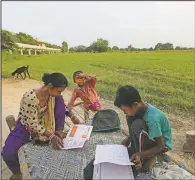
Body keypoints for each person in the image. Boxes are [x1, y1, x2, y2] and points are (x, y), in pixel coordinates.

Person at [1, 73, 79, 180]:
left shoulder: (53, 96)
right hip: (26, 127)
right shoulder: (31, 98)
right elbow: (32, 124)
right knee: (8, 153)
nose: (59, 94)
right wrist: (51, 136)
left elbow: (63, 107)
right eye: (59, 91)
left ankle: (58, 130)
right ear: (50, 86)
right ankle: (18, 173)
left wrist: (71, 115)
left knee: (59, 100)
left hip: (44, 124)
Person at [114, 85, 172, 174]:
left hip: (160, 146)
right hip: (149, 137)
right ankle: (138, 151)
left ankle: (149, 157)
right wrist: (129, 138)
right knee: (130, 117)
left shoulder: (153, 118)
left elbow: (161, 146)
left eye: (125, 110)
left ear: (135, 104)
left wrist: (141, 154)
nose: (125, 112)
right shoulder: (139, 109)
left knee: (137, 124)